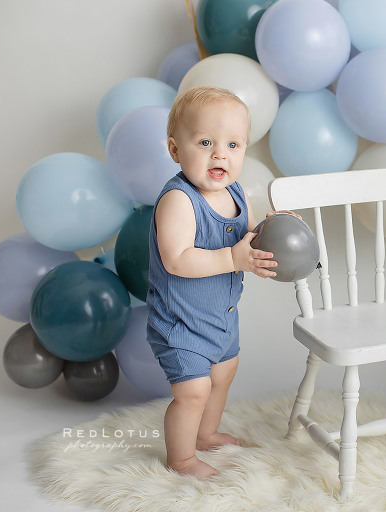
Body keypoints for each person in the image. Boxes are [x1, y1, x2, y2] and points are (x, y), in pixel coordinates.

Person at [147, 86, 281, 479]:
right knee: (192, 391)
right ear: (175, 149)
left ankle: (205, 434)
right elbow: (177, 259)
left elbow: (251, 234)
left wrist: (278, 229)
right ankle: (182, 458)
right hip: (181, 321)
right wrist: (231, 258)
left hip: (221, 317)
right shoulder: (179, 200)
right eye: (205, 142)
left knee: (222, 376)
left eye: (233, 144)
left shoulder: (236, 192)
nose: (220, 153)